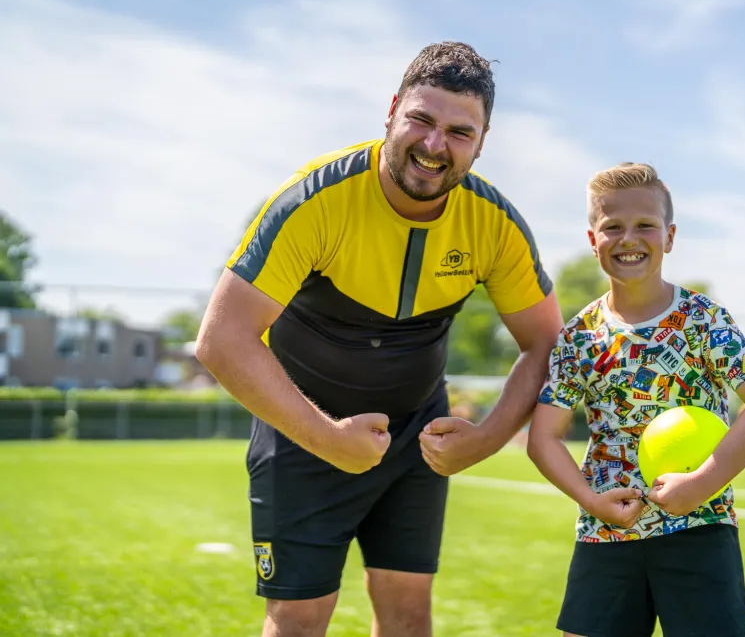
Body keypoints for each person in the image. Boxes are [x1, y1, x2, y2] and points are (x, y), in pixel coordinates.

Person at [195, 41, 563, 637]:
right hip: (303, 435)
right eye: (421, 118)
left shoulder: (494, 222)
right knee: (298, 618)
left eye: (459, 131)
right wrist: (327, 438)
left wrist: (487, 438)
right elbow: (221, 339)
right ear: (392, 110)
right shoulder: (315, 201)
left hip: (418, 436)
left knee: (409, 615)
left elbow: (546, 345)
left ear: (482, 141)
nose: (434, 145)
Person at [526, 162, 745, 637]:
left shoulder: (703, 319)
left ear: (669, 236)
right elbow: (543, 438)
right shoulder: (578, 337)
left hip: (699, 527)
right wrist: (591, 501)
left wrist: (699, 484)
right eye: (613, 227)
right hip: (607, 532)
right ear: (593, 241)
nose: (629, 238)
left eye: (645, 225)